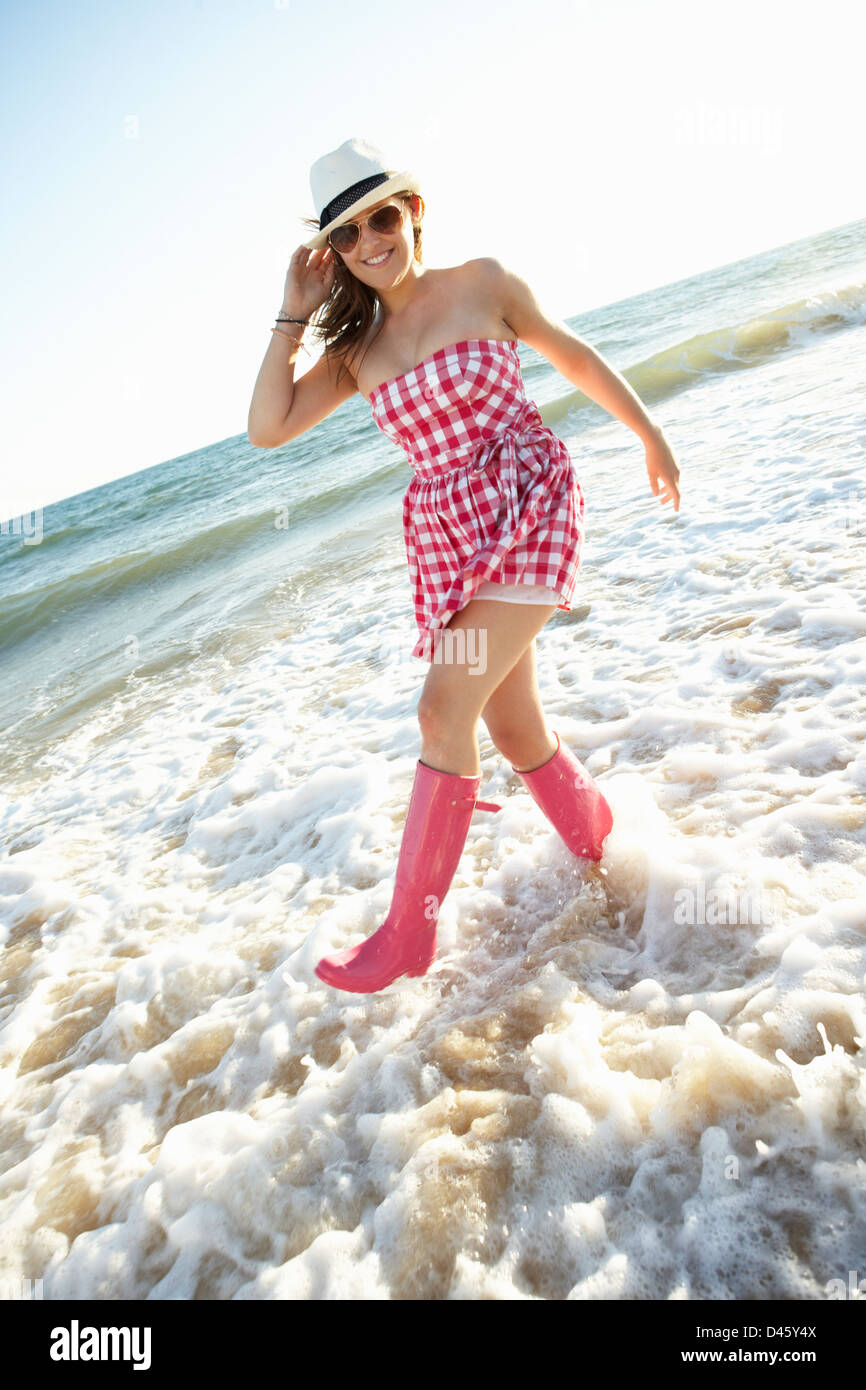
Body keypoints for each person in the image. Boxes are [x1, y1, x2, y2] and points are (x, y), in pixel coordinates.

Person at [248, 137, 681, 995]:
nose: (371, 239)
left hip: (528, 499)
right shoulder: (354, 351)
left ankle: (411, 933)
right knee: (514, 728)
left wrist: (649, 434)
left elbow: (573, 356)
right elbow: (267, 427)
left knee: (442, 709)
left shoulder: (484, 284)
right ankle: (614, 860)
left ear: (412, 212)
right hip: (450, 535)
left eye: (382, 217)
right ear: (333, 253)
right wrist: (293, 314)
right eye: (348, 234)